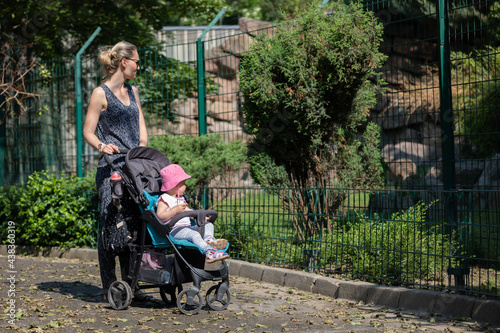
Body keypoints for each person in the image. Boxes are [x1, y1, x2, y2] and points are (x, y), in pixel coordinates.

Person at [83, 41, 153, 303]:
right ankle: (110, 287)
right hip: (110, 170)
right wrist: (102, 145)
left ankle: (130, 287)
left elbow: (141, 126)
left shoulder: (133, 91)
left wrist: (142, 152)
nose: (139, 66)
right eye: (136, 61)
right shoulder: (99, 94)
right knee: (111, 227)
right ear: (124, 62)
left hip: (134, 168)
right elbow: (88, 131)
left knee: (133, 228)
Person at [156, 164, 229, 263]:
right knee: (194, 235)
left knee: (208, 225)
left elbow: (189, 212)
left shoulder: (180, 198)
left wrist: (199, 218)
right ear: (175, 185)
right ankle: (209, 253)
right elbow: (159, 216)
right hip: (175, 230)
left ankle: (209, 240)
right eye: (183, 183)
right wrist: (174, 211)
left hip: (187, 227)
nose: (186, 186)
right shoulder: (164, 199)